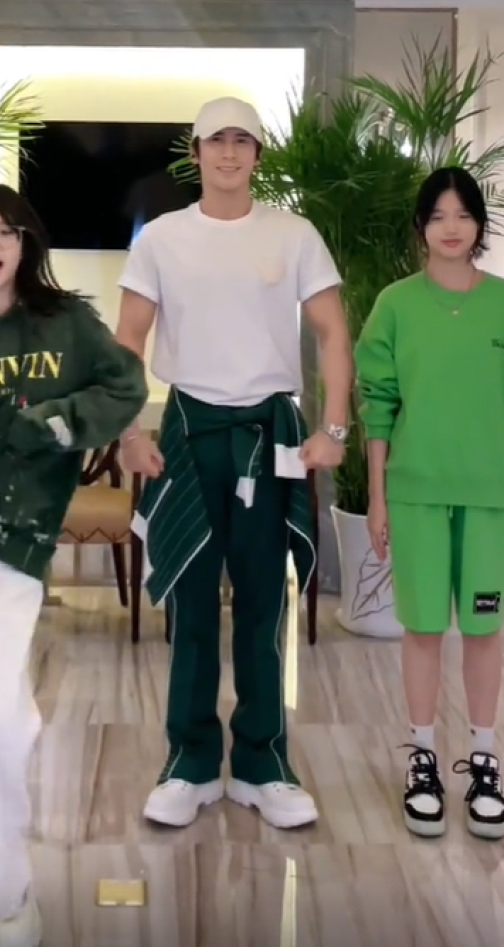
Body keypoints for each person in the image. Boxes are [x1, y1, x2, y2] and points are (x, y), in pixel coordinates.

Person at [0, 182, 148, 947]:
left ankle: (12, 896)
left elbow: (125, 386)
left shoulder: (68, 323)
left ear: (25, 243)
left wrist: (58, 422)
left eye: (4, 231)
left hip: (15, 549)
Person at [115, 96, 353, 830]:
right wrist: (127, 432)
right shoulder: (162, 238)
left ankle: (261, 764)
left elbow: (332, 331)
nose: (227, 152)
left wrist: (333, 428)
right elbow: (128, 339)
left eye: (240, 141)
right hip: (188, 427)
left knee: (262, 600)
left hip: (268, 428)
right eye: (214, 140)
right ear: (195, 154)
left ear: (256, 154)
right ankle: (189, 764)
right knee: (191, 602)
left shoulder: (294, 233)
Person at [355, 166, 504, 840]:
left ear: (479, 225)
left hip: (490, 499)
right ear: (420, 227)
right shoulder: (395, 305)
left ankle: (484, 761)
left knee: (484, 629)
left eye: (463, 215)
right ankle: (421, 760)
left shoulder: (500, 303)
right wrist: (377, 498)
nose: (451, 227)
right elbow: (378, 405)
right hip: (415, 494)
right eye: (438, 215)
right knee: (420, 629)